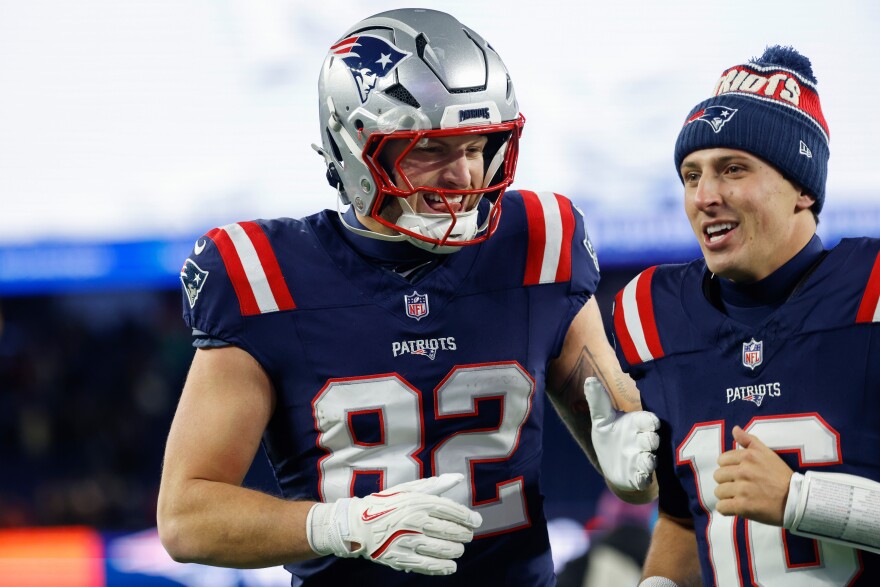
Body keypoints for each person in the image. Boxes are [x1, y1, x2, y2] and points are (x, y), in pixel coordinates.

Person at [157, 8, 657, 586]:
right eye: (430, 150)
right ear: (354, 144)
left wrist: (633, 463)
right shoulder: (261, 274)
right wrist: (340, 525)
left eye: (477, 145)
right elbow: (185, 517)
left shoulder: (539, 241)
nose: (465, 175)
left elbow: (627, 455)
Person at [606, 45, 880, 586]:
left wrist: (803, 499)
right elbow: (685, 520)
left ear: (802, 188)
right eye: (690, 175)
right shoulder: (650, 314)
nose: (705, 195)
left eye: (733, 170)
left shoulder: (871, 291)